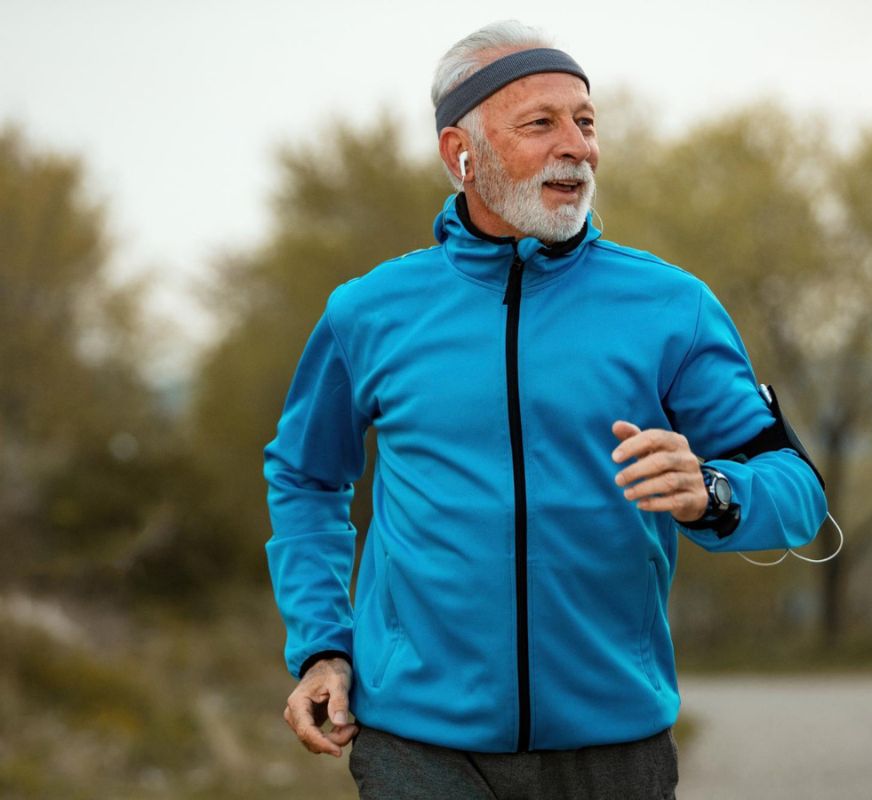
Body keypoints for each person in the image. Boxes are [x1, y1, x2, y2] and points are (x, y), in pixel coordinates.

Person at [264, 20, 828, 799]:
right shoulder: (370, 311)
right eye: (542, 124)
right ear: (461, 154)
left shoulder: (670, 307)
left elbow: (798, 489)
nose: (579, 146)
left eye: (587, 122)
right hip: (417, 746)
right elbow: (304, 478)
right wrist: (323, 646)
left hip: (612, 748)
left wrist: (716, 493)